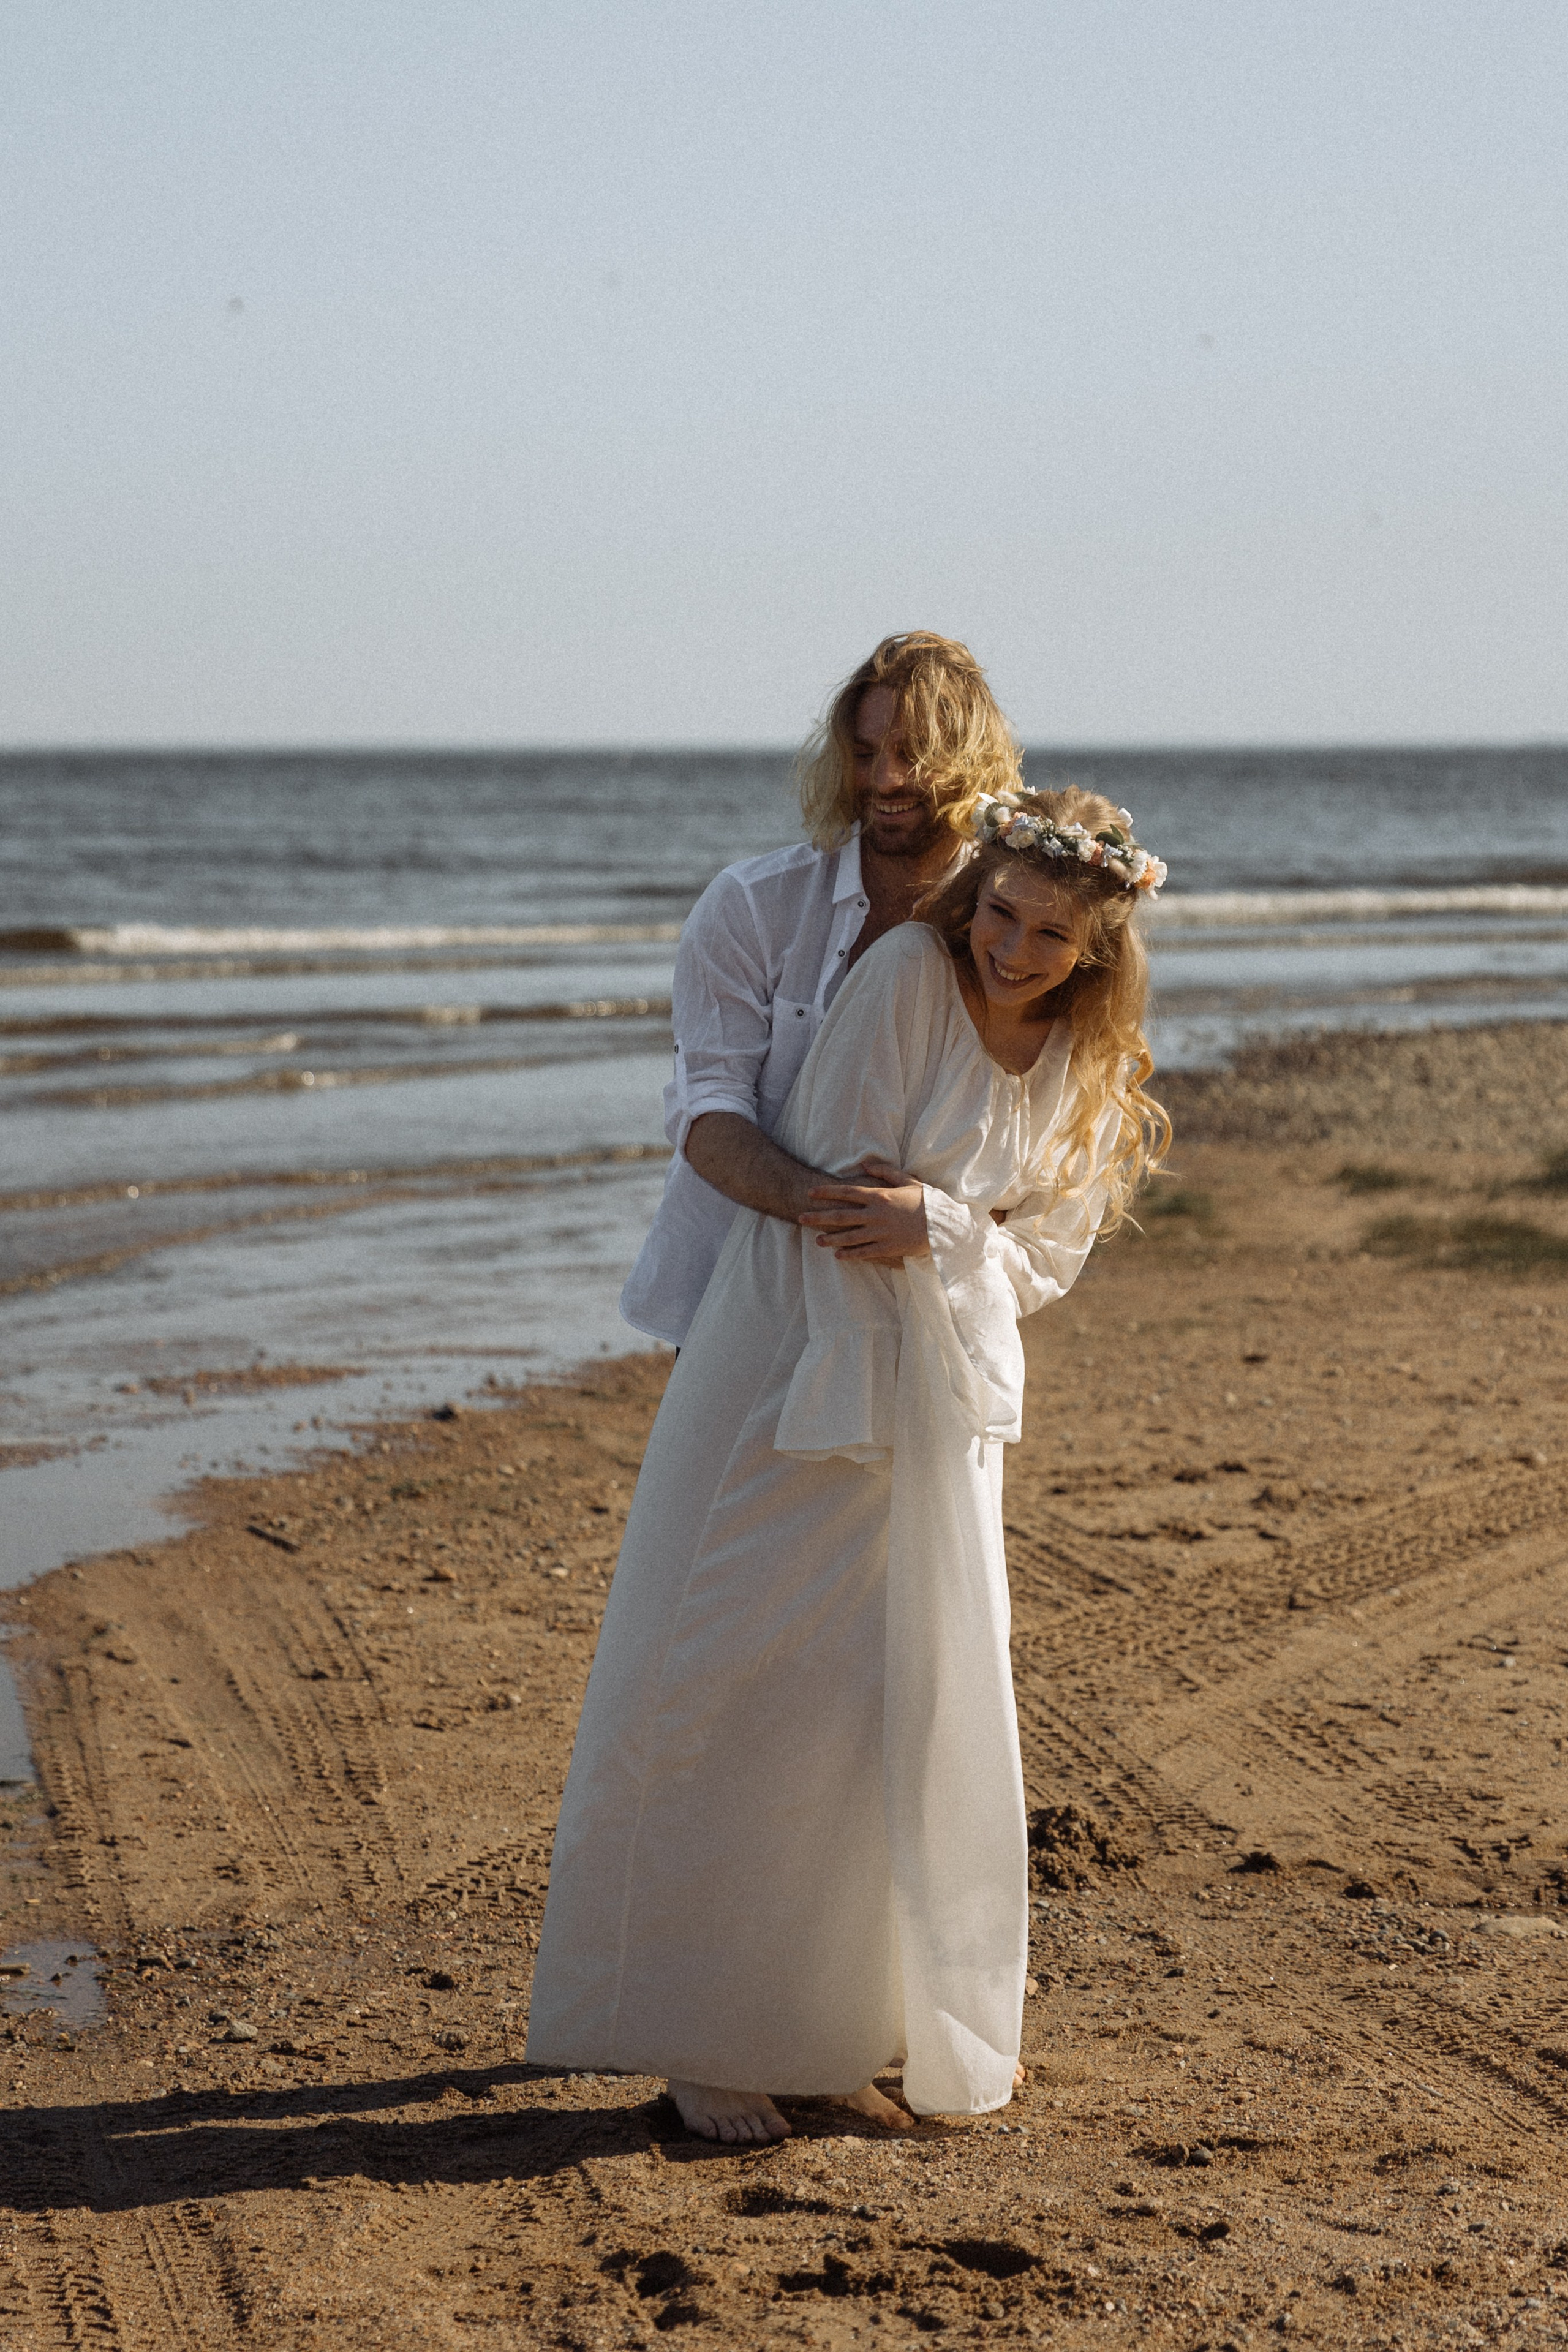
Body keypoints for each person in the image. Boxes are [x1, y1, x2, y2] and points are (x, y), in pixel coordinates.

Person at [525, 787, 1170, 2143]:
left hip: (940, 1406)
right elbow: (836, 1196)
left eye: (1051, 936)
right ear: (978, 891)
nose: (1012, 950)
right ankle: (703, 2034)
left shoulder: (1086, 1061)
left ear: (1097, 950)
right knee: (740, 1684)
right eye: (1002, 913)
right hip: (799, 1375)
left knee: (884, 1708)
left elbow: (1044, 1254)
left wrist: (944, 1223)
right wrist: (949, 1228)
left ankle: (821, 2034)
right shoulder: (905, 977)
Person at [619, 631, 1024, 1348]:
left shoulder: (1010, 921)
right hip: (738, 1297)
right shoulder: (752, 904)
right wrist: (846, 1214)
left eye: (914, 755)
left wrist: (935, 1229)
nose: (885, 780)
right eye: (864, 755)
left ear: (972, 761)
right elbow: (707, 1113)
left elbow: (1038, 1114)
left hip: (919, 1310)